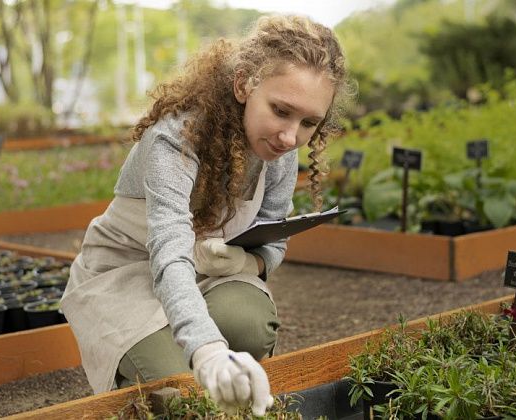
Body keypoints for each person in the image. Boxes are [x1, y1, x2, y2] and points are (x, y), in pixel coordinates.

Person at [60, 14, 351, 416]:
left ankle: (225, 388)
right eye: (281, 110)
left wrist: (250, 262)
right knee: (174, 388)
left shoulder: (281, 152)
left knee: (249, 322)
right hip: (129, 272)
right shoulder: (175, 139)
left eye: (309, 123)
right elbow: (168, 252)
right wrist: (208, 350)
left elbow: (275, 237)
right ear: (244, 83)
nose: (290, 136)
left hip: (203, 274)